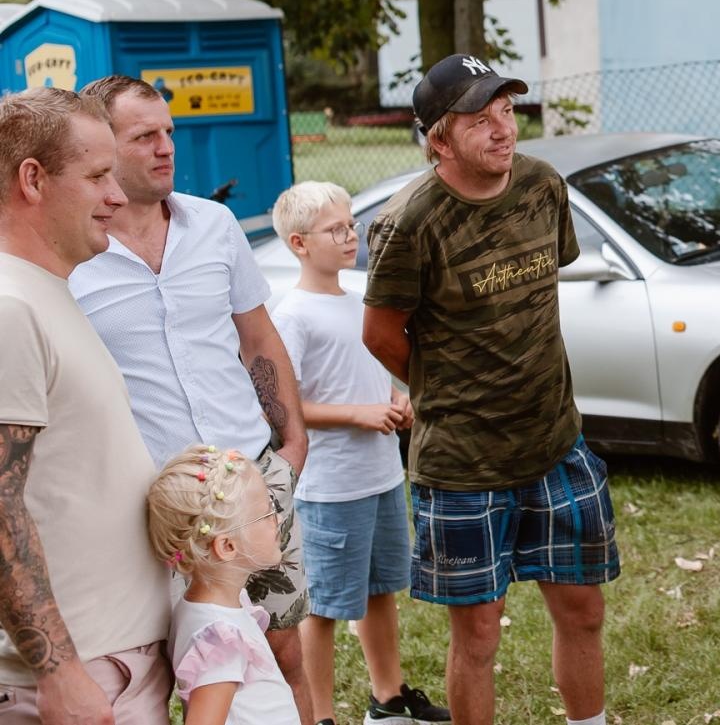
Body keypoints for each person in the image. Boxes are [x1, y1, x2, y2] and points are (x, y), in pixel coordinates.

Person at [362, 54, 619, 725]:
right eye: (481, 118)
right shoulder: (410, 222)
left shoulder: (541, 186)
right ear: (438, 140)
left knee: (584, 610)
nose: (503, 128)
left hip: (556, 440)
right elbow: (381, 333)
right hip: (463, 463)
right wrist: (443, 384)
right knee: (478, 633)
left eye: (506, 110)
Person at [68, 74, 314, 722]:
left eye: (168, 132)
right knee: (184, 653)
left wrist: (291, 444)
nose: (164, 147)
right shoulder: (74, 253)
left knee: (286, 646)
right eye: (143, 135)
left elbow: (258, 338)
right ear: (102, 148)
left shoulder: (214, 223)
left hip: (252, 479)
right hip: (157, 502)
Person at [0, 87, 172, 725]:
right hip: (75, 679)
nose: (118, 196)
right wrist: (60, 671)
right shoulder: (10, 308)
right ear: (33, 180)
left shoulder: (46, 293)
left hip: (113, 664)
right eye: (98, 175)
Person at [268, 182, 449, 725]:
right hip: (330, 488)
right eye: (335, 230)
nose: (351, 237)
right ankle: (319, 715)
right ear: (299, 244)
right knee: (322, 608)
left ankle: (387, 699)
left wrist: (392, 400)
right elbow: (283, 405)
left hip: (380, 476)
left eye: (352, 226)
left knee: (378, 591)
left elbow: (365, 376)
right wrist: (359, 415)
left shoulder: (360, 301)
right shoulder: (292, 314)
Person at [146, 444, 299, 725]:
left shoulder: (206, 608)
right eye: (267, 513)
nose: (277, 519)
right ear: (227, 546)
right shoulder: (221, 640)